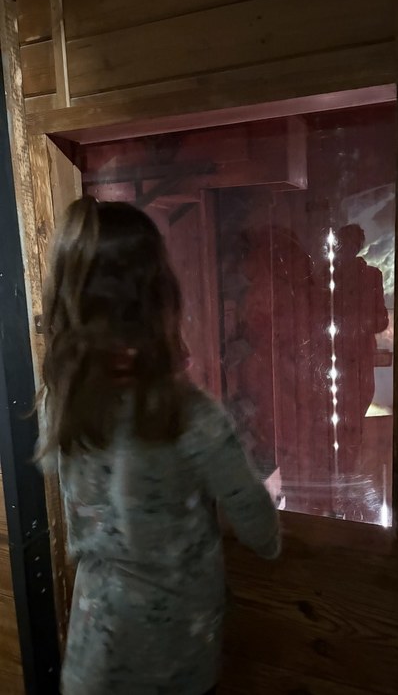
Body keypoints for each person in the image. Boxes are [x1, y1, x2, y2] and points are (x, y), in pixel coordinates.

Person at [36, 197, 281, 695]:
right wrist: (270, 513)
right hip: (177, 659)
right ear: (159, 297)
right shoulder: (188, 412)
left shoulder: (60, 400)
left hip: (93, 652)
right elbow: (258, 528)